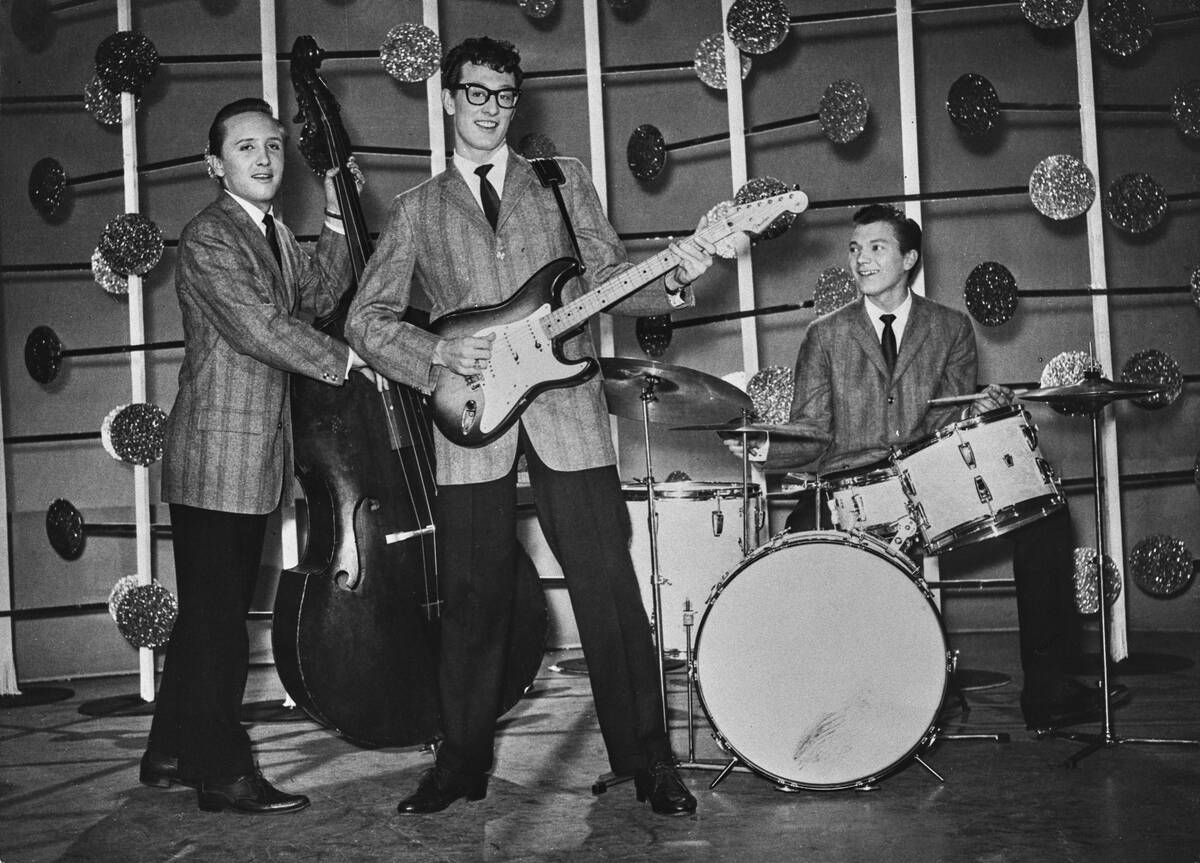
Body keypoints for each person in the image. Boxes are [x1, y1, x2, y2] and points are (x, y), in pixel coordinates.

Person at [345, 37, 716, 816]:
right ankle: (461, 763)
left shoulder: (561, 180)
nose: (491, 108)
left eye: (505, 95)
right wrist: (439, 350)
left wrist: (676, 272)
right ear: (448, 98)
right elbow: (367, 321)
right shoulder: (416, 210)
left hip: (566, 409)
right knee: (474, 597)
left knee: (609, 589)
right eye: (477, 93)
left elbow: (612, 276)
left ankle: (647, 760)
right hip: (470, 417)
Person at [728, 204, 1123, 732]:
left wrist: (981, 409)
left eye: (876, 248)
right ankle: (800, 702)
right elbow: (812, 431)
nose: (861, 259)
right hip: (851, 485)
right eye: (855, 249)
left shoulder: (951, 328)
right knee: (795, 551)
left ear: (908, 258)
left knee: (1046, 515)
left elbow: (951, 418)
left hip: (929, 485)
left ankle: (1049, 691)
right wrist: (761, 450)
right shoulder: (825, 335)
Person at [141, 97, 373, 814]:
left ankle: (170, 750)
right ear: (216, 164)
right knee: (218, 623)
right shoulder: (211, 236)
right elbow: (261, 327)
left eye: (273, 145)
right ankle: (222, 771)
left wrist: (337, 217)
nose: (266, 158)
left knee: (207, 614)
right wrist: (351, 361)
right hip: (217, 454)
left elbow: (320, 289)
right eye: (246, 148)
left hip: (243, 457)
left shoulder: (267, 232)